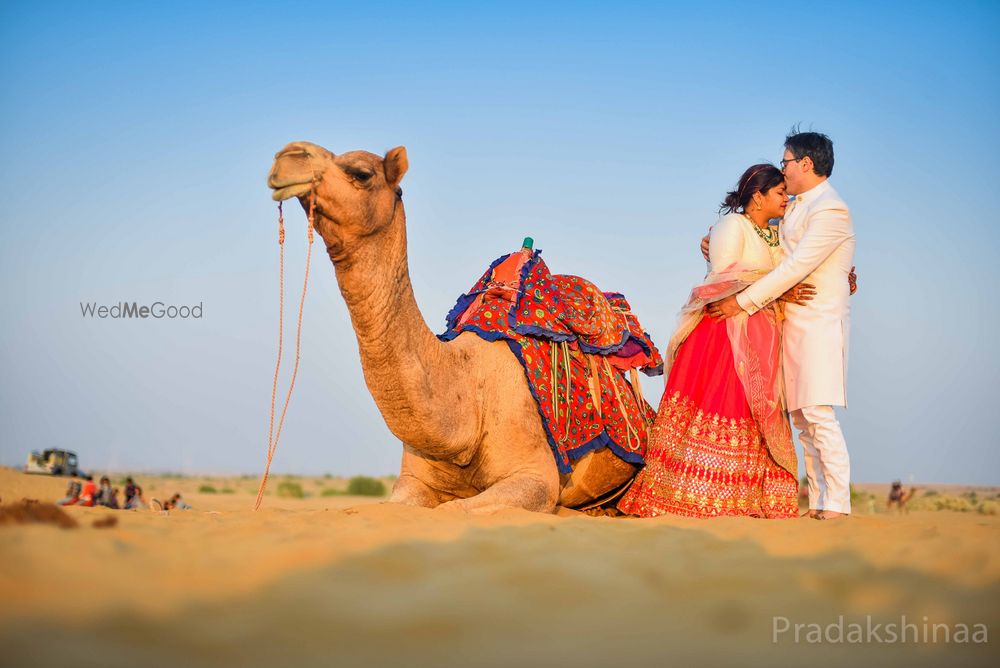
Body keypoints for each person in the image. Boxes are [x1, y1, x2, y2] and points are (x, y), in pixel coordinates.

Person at [618, 164, 811, 518]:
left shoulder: (776, 234)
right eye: (780, 193)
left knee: (758, 414)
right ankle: (695, 499)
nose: (787, 199)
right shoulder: (731, 226)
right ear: (758, 196)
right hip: (721, 333)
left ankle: (749, 502)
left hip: (762, 336)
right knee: (723, 406)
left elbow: (800, 265)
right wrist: (780, 284)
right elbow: (722, 280)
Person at [707, 130, 855, 520]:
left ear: (806, 163)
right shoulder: (797, 207)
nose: (783, 169)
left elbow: (795, 266)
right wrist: (713, 239)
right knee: (803, 420)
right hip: (788, 325)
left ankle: (838, 503)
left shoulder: (830, 209)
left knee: (819, 413)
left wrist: (740, 301)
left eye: (786, 161)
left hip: (818, 325)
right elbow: (760, 232)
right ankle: (820, 501)